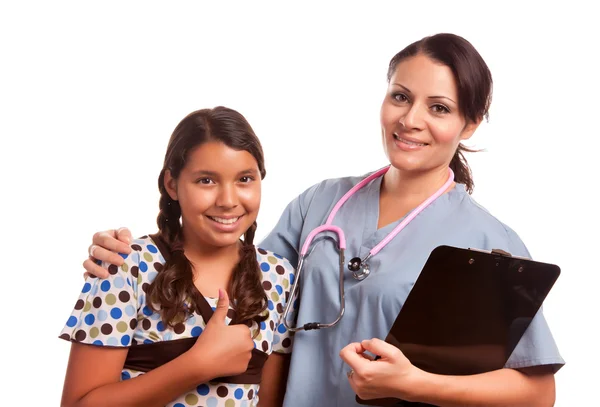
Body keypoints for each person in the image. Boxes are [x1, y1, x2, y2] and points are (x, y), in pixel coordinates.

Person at [80, 33, 564, 406]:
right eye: (400, 96)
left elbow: (536, 393)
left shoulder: (488, 240)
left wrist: (416, 383)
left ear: (471, 123)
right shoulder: (321, 203)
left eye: (438, 108)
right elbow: (233, 272)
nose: (410, 119)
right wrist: (132, 250)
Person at [59, 107, 294, 407]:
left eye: (244, 179)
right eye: (206, 181)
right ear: (172, 184)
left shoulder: (279, 277)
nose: (228, 201)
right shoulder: (126, 266)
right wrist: (197, 365)